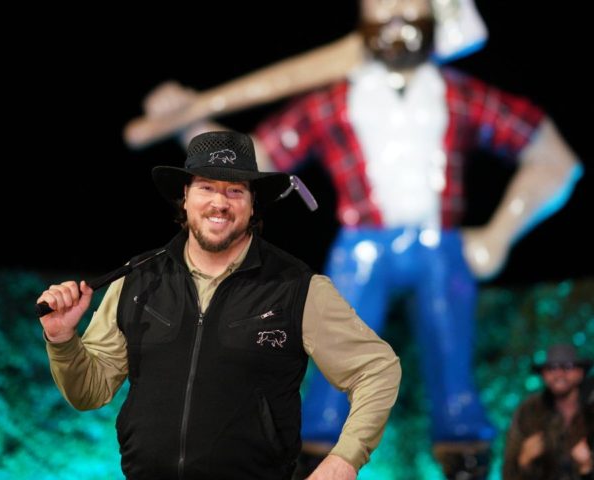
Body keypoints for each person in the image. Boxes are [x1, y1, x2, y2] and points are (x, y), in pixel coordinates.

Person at [128, 0, 582, 477]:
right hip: (362, 247)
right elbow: (256, 158)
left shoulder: (460, 95)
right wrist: (191, 123)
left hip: (439, 246)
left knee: (452, 347)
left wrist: (500, 233)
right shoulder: (335, 101)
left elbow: (554, 159)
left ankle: (463, 446)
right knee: (336, 344)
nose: (397, 23)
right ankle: (317, 448)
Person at [36, 130, 402, 480]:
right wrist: (62, 340)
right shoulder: (136, 281)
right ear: (185, 196)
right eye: (206, 187)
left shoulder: (298, 287)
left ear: (253, 203)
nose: (219, 203)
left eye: (235, 190)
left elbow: (377, 369)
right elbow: (89, 392)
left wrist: (344, 461)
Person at [503, 343, 594, 480]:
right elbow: (509, 470)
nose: (559, 374)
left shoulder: (590, 411)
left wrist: (587, 468)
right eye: (552, 368)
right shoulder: (528, 412)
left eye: (567, 367)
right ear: (543, 374)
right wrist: (524, 460)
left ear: (581, 373)